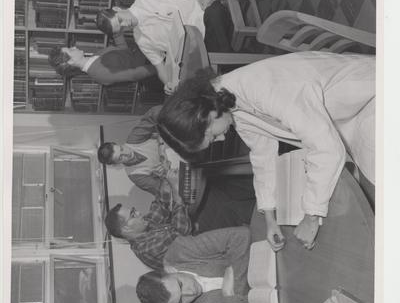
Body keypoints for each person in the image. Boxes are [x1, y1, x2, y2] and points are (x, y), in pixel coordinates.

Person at [157, 51, 375, 251]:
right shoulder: (229, 102)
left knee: (374, 189)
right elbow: (262, 157)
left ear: (206, 115)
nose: (221, 138)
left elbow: (327, 148)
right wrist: (270, 219)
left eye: (212, 136)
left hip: (372, 96)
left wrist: (311, 216)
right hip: (345, 120)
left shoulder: (261, 88)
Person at [96, 0, 233, 93]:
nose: (126, 24)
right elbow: (160, 67)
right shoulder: (141, 39)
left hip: (206, 17)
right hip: (201, 46)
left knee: (215, 14)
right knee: (199, 73)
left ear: (117, 9)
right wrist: (167, 83)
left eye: (120, 20)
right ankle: (234, 64)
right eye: (120, 29)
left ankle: (231, 68)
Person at [105, 168, 192, 270]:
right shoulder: (146, 250)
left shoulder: (144, 226)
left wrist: (165, 179)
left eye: (134, 210)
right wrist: (176, 192)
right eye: (133, 215)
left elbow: (161, 204)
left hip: (196, 241)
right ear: (126, 229)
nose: (139, 213)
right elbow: (182, 231)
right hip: (202, 262)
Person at [98, 105, 168, 197]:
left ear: (118, 144)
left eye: (122, 149)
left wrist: (162, 139)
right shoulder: (136, 175)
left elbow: (154, 113)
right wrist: (164, 175)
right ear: (117, 164)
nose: (127, 153)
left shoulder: (134, 138)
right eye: (121, 157)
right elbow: (164, 192)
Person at [48, 32, 156, 85]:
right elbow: (134, 75)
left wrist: (116, 30)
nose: (74, 47)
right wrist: (159, 66)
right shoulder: (100, 74)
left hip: (147, 51)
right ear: (71, 61)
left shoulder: (94, 58)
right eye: (71, 50)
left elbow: (122, 49)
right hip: (152, 63)